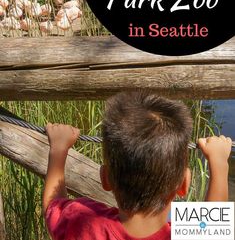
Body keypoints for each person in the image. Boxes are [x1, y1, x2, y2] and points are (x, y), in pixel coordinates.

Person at [43, 91, 232, 240]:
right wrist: (219, 164)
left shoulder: (85, 224)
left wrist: (58, 150)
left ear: (105, 178)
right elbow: (212, 224)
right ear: (184, 184)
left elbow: (53, 207)